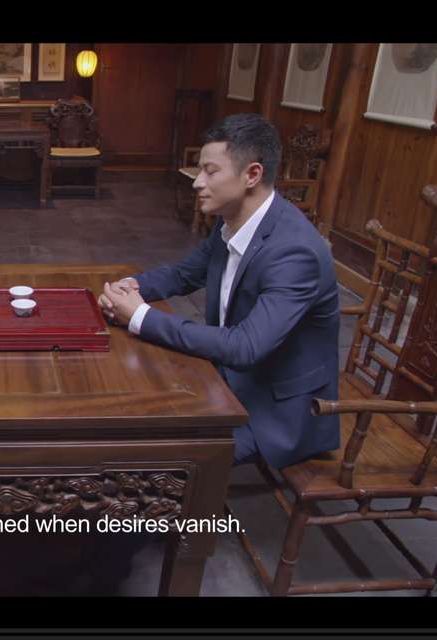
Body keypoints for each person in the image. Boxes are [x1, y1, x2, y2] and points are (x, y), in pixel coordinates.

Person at [99, 113, 340, 468]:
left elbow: (245, 347)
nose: (198, 182)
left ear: (252, 175)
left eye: (210, 172)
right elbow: (184, 274)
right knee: (126, 411)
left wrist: (139, 316)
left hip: (273, 413)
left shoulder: (294, 252)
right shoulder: (233, 222)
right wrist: (133, 287)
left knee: (155, 456)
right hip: (229, 378)